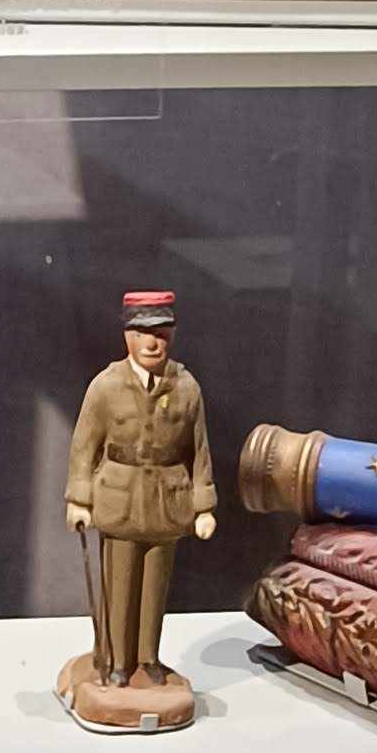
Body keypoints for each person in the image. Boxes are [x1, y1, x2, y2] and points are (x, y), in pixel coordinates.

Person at [64, 286, 216, 688]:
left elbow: (199, 449)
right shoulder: (106, 386)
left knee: (155, 587)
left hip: (167, 501)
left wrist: (203, 505)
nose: (152, 343)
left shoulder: (186, 388)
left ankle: (148, 658)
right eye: (143, 334)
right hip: (120, 499)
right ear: (127, 336)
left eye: (161, 334)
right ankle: (116, 660)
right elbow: (84, 446)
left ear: (172, 336)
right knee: (119, 585)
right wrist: (79, 500)